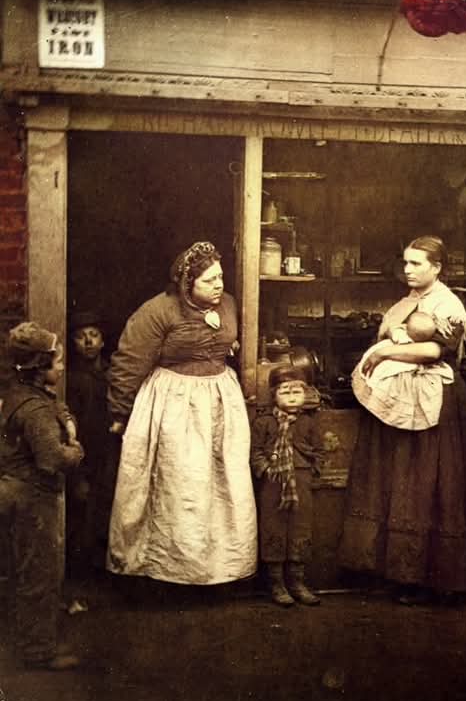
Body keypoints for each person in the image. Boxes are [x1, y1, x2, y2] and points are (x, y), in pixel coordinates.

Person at [338, 235, 466, 604]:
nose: (408, 270)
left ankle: (434, 578)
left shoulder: (448, 305)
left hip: (436, 401)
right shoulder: (405, 303)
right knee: (399, 480)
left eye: (417, 263)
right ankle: (398, 572)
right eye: (405, 263)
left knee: (430, 482)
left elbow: (436, 350)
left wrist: (385, 351)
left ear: (437, 267)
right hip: (398, 400)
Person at [106, 241, 257, 585]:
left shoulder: (231, 304)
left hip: (219, 402)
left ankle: (219, 569)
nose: (219, 285)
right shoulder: (158, 311)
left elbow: (233, 343)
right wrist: (120, 411)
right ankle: (168, 570)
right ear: (187, 283)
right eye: (209, 280)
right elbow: (130, 362)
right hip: (174, 404)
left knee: (220, 485)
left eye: (220, 277)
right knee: (181, 485)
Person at [0, 321, 85, 670]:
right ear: (39, 367)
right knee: (40, 574)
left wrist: (62, 416)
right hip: (34, 497)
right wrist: (75, 450)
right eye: (56, 361)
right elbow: (51, 460)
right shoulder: (35, 411)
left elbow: (51, 407)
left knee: (26, 569)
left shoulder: (19, 393)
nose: (62, 366)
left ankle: (30, 640)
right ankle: (37, 650)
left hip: (16, 488)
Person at [250, 365, 326, 607]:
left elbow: (319, 450)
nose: (292, 397)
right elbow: (255, 451)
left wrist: (313, 469)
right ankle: (276, 584)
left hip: (301, 480)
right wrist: (266, 469)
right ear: (274, 396)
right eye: (285, 392)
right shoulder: (264, 423)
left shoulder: (309, 422)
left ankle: (297, 582)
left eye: (297, 392)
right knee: (274, 527)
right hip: (273, 482)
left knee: (300, 527)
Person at [66, 310, 118, 571]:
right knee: (82, 509)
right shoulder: (71, 379)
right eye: (80, 337)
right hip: (85, 451)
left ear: (103, 340)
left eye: (93, 336)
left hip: (110, 451)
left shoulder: (115, 374)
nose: (88, 342)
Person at [351, 310, 454, 430]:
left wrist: (394, 335)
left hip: (409, 361)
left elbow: (432, 351)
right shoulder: (410, 305)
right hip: (407, 359)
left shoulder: (447, 309)